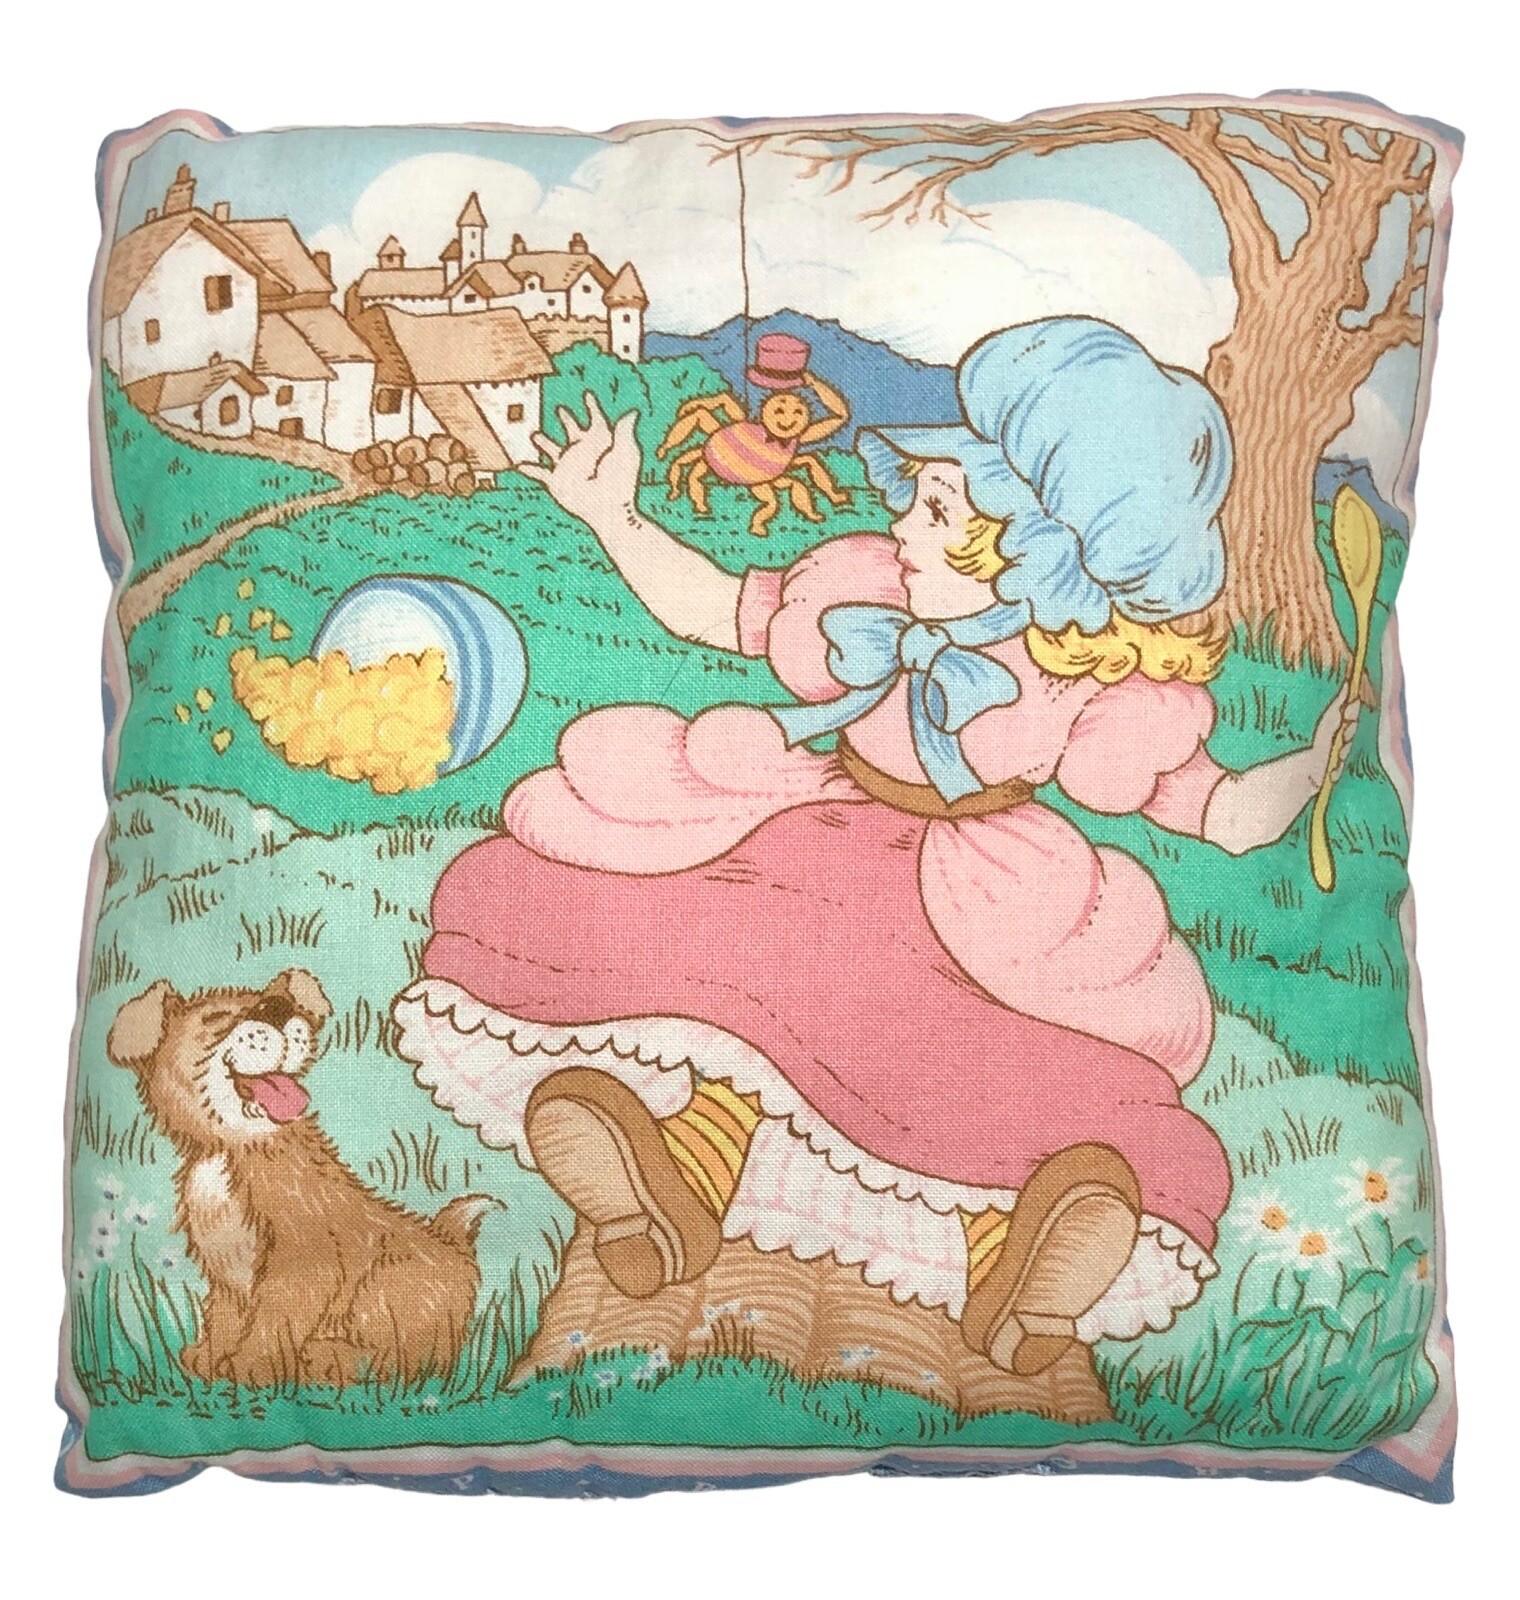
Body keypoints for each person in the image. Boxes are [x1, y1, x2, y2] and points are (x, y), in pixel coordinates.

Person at [408, 316, 1360, 1377]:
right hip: (812, 829)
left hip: (986, 892)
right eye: (918, 494)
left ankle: (1023, 1262)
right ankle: (671, 1181)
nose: (902, 517)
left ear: (1028, 551)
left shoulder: (1082, 679)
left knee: (989, 1059)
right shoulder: (864, 585)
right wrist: (614, 514)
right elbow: (714, 609)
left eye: (938, 506)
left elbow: (1215, 808)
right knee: (725, 974)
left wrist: (1315, 764)